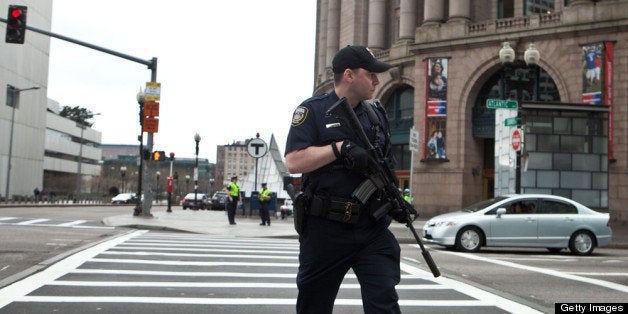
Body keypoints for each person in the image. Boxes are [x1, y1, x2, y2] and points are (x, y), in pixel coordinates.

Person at [285, 45, 402, 313]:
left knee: (384, 302)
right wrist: (339, 149)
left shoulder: (376, 115)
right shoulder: (312, 110)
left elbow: (386, 166)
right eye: (371, 74)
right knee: (313, 306)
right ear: (349, 75)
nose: (376, 80)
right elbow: (294, 161)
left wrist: (395, 200)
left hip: (370, 226)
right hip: (325, 229)